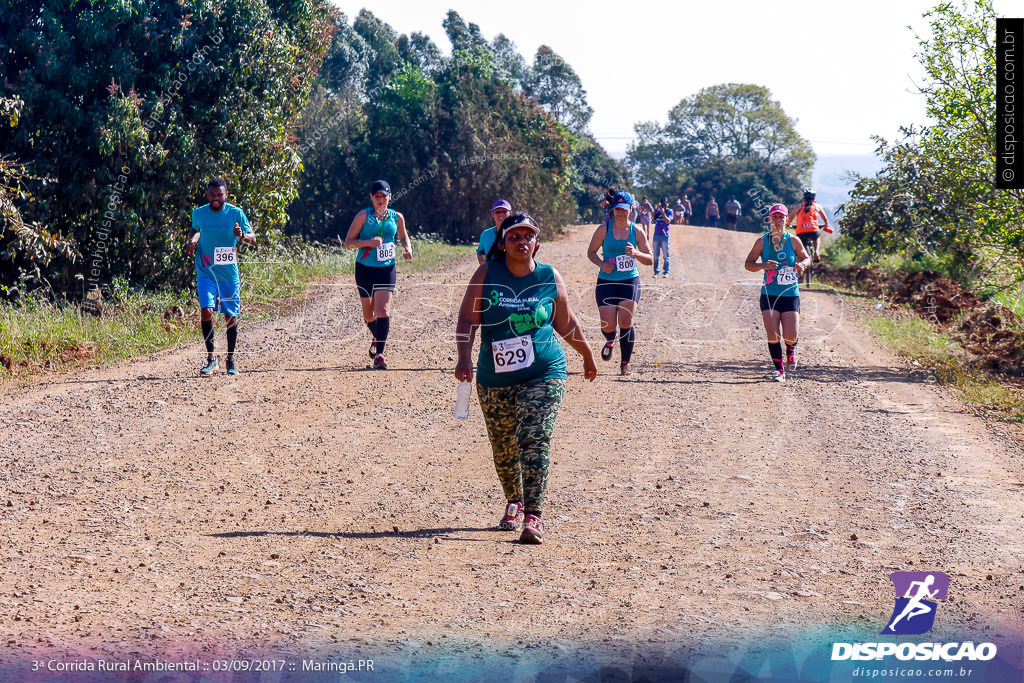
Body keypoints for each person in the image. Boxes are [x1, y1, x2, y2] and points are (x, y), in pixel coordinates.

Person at [455, 212, 598, 544]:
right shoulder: (487, 273)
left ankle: (534, 515)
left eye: (528, 236)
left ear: (538, 244)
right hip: (495, 378)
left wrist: (587, 354)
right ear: (503, 243)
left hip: (544, 371)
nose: (521, 241)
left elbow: (567, 323)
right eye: (514, 236)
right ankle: (515, 499)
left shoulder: (549, 276)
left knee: (534, 438)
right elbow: (467, 319)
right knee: (504, 448)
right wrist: (464, 356)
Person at [185, 177, 257, 376]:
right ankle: (210, 358)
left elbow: (253, 238)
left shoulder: (235, 213)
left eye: (219, 195)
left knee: (230, 315)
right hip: (206, 270)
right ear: (207, 195)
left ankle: (230, 359)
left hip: (227, 273)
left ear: (226, 194)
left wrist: (241, 235)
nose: (215, 198)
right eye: (212, 195)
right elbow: (196, 230)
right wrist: (191, 242)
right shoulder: (199, 213)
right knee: (206, 309)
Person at [343, 180, 413, 370]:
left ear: (390, 197)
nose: (381, 200)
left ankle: (379, 355)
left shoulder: (397, 217)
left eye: (384, 196)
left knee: (383, 310)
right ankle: (376, 336)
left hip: (386, 268)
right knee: (369, 314)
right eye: (377, 196)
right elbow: (348, 243)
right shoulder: (363, 216)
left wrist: (408, 247)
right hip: (365, 268)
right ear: (372, 198)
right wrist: (368, 242)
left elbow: (403, 235)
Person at [587, 190, 654, 375]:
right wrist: (602, 264)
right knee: (607, 325)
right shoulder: (604, 229)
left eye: (625, 209)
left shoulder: (637, 231)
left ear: (631, 209)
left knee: (626, 321)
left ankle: (625, 364)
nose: (621, 213)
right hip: (606, 282)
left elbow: (650, 259)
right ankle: (610, 339)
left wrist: (636, 253)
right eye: (618, 209)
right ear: (613, 209)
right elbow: (590, 252)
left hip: (629, 281)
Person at [743, 204, 811, 382]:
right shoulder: (761, 241)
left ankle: (790, 350)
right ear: (770, 219)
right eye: (775, 217)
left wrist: (802, 265)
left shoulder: (793, 240)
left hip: (790, 294)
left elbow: (806, 257)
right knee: (772, 334)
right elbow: (748, 263)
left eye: (782, 217)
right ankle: (779, 370)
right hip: (769, 293)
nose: (778, 220)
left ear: (787, 220)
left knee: (791, 335)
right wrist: (762, 266)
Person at [788, 188, 830, 264]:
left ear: (804, 197)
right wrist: (826, 225)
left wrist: (787, 225)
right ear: (814, 198)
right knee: (816, 238)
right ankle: (816, 251)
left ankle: (799, 264)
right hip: (813, 230)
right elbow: (825, 219)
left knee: (799, 249)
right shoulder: (817, 206)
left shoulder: (798, 207)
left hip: (801, 231)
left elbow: (791, 218)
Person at [476, 199, 511, 264]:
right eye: (497, 212)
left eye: (504, 211)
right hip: (491, 272)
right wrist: (480, 257)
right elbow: (480, 251)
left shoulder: (516, 233)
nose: (501, 214)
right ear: (493, 214)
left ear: (510, 213)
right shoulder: (486, 234)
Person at [651, 197, 674, 277]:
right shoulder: (657, 211)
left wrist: (663, 213)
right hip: (656, 235)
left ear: (668, 204)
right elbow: (652, 219)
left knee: (665, 255)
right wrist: (657, 210)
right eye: (663, 203)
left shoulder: (670, 211)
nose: (664, 205)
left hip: (665, 235)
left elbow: (667, 221)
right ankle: (656, 272)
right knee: (655, 255)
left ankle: (666, 272)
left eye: (665, 203)